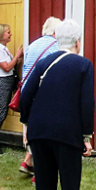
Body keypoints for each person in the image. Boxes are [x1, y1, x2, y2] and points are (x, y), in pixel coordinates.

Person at [20, 20, 94, 190]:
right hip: (67, 133)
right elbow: (86, 103)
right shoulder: (83, 65)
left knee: (44, 187)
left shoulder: (43, 63)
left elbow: (25, 96)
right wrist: (86, 136)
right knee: (70, 188)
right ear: (78, 42)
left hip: (39, 132)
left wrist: (27, 124)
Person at [18, 16, 61, 177]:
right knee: (46, 131)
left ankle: (28, 161)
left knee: (33, 128)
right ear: (56, 32)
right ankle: (40, 173)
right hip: (44, 92)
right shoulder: (56, 46)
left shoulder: (32, 45)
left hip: (27, 92)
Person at [0, 23, 23, 156]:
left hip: (7, 80)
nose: (10, 34)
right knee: (0, 112)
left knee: (1, 111)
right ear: (1, 34)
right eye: (8, 32)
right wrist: (17, 56)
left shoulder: (2, 48)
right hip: (2, 81)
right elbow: (6, 67)